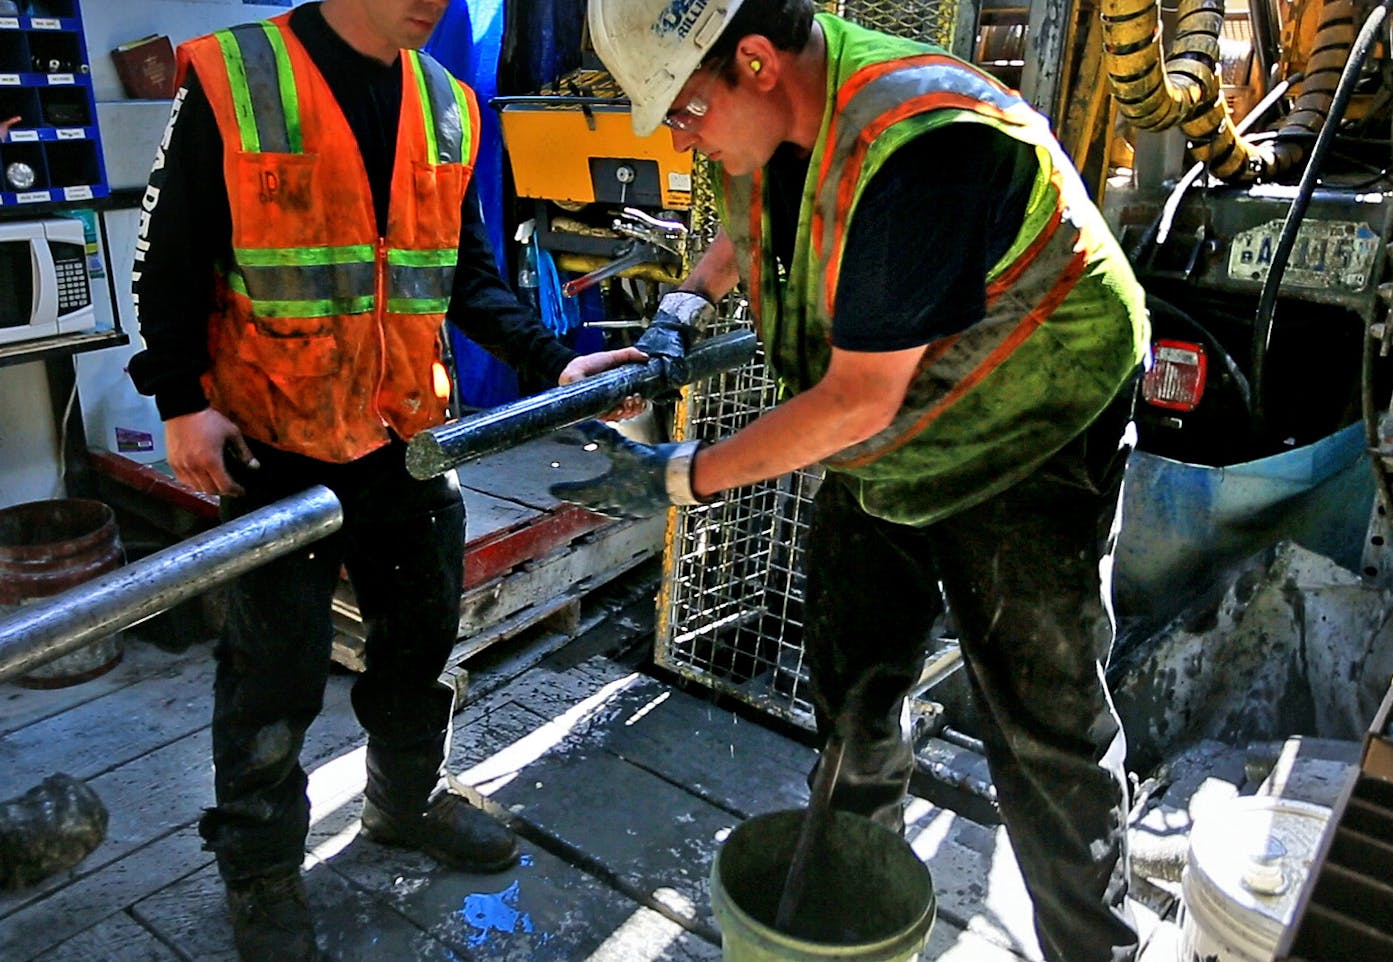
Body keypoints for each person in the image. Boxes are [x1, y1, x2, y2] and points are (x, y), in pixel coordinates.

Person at [552, 1, 1150, 959]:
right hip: (896, 433)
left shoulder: (924, 147)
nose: (678, 133)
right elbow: (753, 217)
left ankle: (1094, 948)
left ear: (753, 61)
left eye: (685, 113)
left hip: (1029, 424)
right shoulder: (773, 115)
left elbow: (855, 401)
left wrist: (678, 477)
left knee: (1043, 725)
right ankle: (850, 911)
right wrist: (673, 320)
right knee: (858, 685)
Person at [127, 1, 641, 958]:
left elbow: (465, 274)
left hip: (407, 441)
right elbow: (171, 255)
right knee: (270, 676)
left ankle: (403, 805)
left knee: (418, 643)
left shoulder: (447, 101)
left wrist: (550, 358)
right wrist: (177, 397)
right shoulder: (241, 78)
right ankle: (263, 870)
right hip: (273, 442)